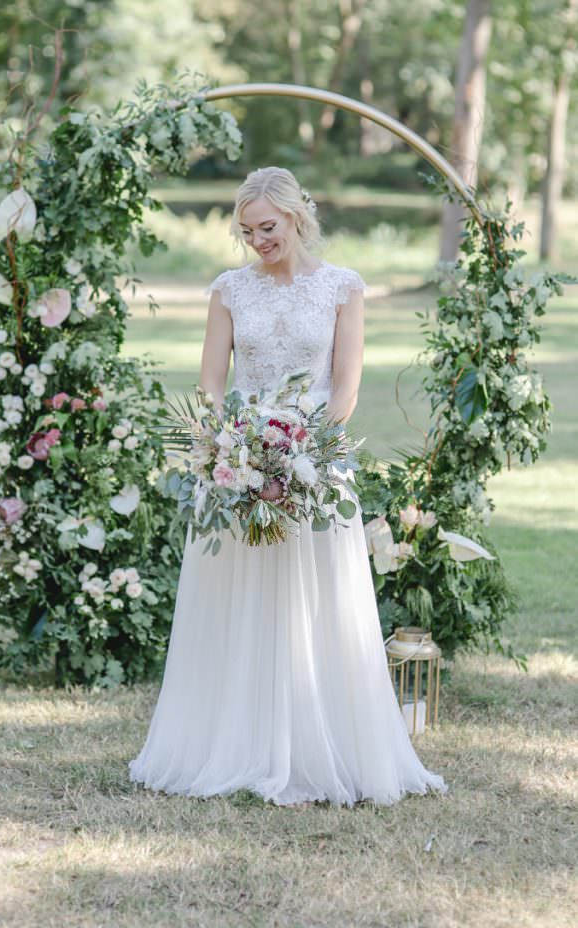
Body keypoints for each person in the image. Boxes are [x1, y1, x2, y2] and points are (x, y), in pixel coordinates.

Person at [128, 166, 448, 807]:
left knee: (315, 606)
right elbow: (212, 382)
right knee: (238, 603)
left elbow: (347, 387)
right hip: (236, 467)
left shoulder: (341, 289)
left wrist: (297, 451)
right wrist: (232, 445)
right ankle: (234, 743)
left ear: (298, 216)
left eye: (267, 227)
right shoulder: (228, 290)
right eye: (246, 231)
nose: (257, 240)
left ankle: (314, 744)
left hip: (315, 466)